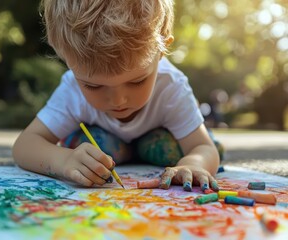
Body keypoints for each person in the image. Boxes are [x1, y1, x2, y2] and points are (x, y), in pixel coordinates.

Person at [13, 0, 222, 192]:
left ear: (162, 50)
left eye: (136, 81)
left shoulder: (171, 87)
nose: (118, 100)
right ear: (63, 55)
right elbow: (25, 145)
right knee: (99, 148)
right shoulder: (71, 90)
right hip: (106, 141)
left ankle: (147, 145)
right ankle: (109, 148)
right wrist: (64, 161)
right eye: (93, 86)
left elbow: (202, 147)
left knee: (169, 150)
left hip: (160, 136)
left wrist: (193, 164)